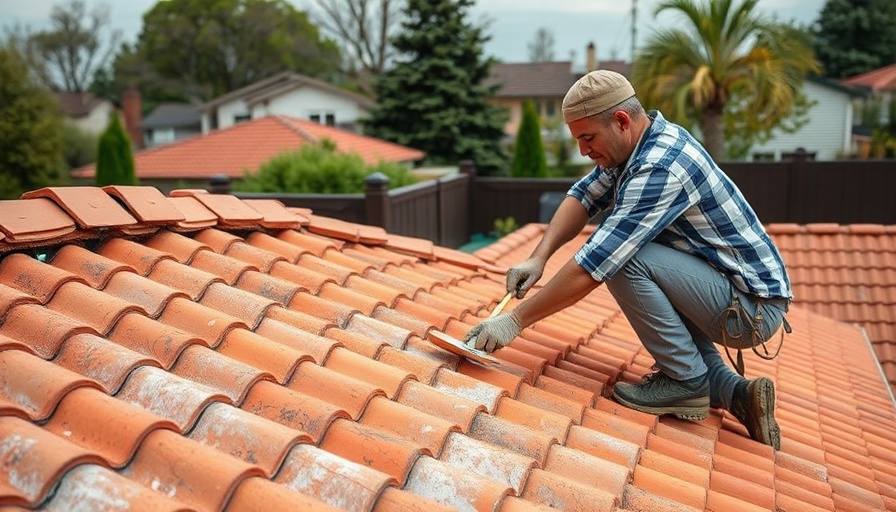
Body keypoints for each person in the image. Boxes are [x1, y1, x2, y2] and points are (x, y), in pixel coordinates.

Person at [464, 70, 792, 450]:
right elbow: (583, 196)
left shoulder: (660, 166)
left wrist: (514, 322)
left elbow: (595, 262)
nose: (584, 151)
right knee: (632, 254)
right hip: (726, 291)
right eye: (578, 141)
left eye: (588, 138)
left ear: (621, 121)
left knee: (625, 258)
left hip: (750, 310)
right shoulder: (635, 144)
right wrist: (537, 259)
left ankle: (686, 382)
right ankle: (737, 394)